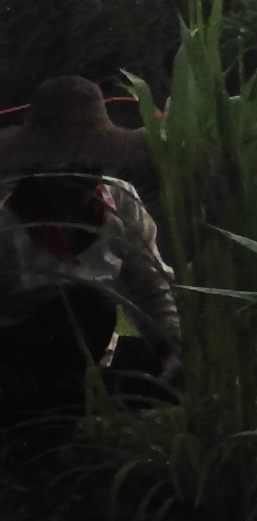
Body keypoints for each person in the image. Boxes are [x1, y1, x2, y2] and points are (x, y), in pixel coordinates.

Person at [0, 76, 182, 431]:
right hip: (16, 358)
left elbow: (151, 289)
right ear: (34, 168)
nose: (72, 177)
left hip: (97, 358)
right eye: (58, 166)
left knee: (178, 372)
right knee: (88, 305)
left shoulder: (122, 203)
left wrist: (172, 348)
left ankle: (62, 403)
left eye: (85, 164)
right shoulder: (5, 220)